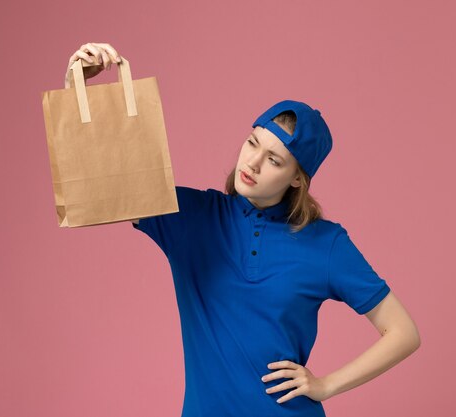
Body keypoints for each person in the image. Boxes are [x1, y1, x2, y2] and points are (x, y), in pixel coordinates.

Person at [67, 43, 421, 417]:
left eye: (274, 160)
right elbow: (99, 182)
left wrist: (326, 385)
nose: (251, 162)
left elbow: (403, 333)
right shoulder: (192, 216)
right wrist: (80, 88)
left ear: (298, 179)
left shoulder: (326, 243)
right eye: (252, 142)